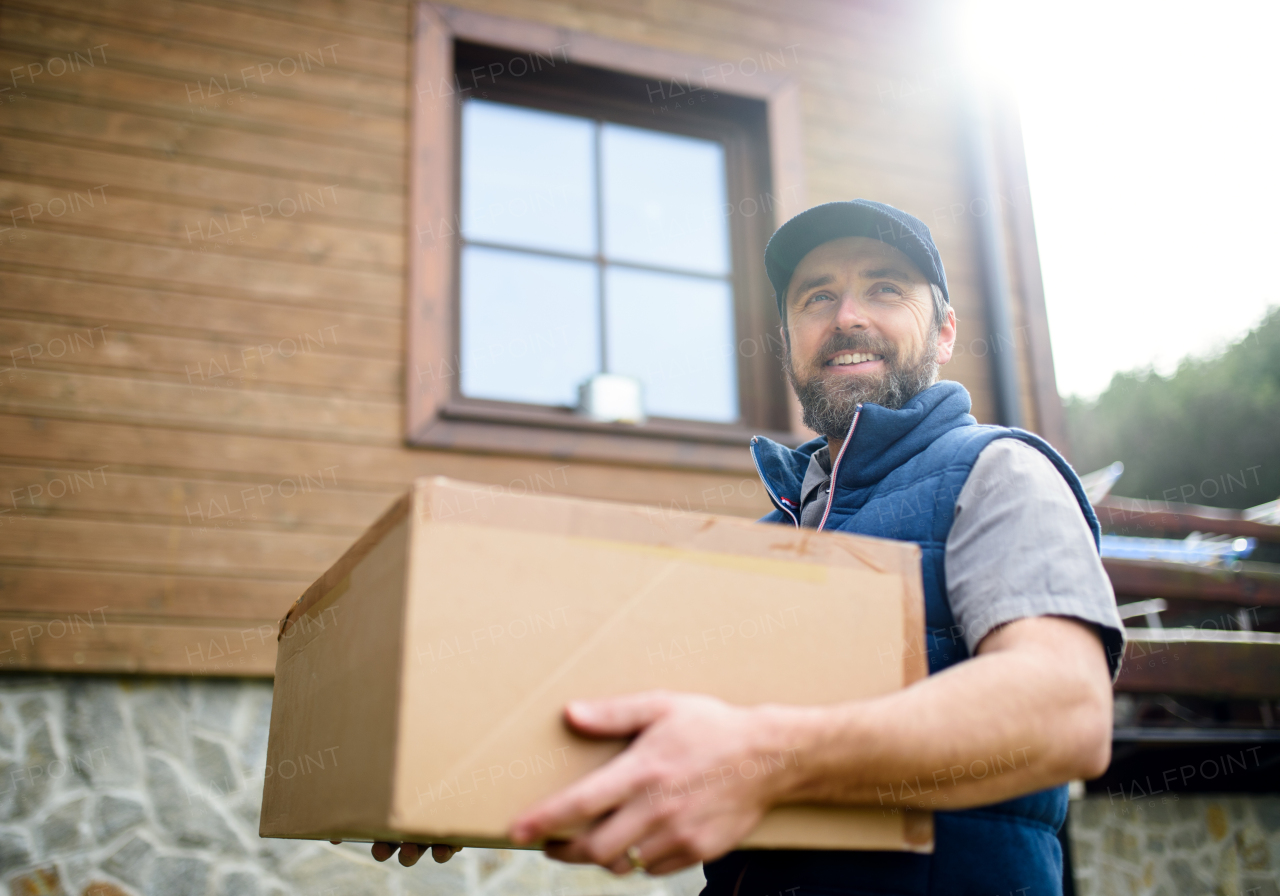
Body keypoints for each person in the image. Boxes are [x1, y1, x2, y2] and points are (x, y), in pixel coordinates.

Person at [356, 200, 1125, 895]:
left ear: (946, 331)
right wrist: (460, 766)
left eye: (885, 288)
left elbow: (1066, 708)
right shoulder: (767, 544)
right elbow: (660, 736)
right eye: (816, 296)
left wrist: (766, 757)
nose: (847, 314)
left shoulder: (998, 473)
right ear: (790, 336)